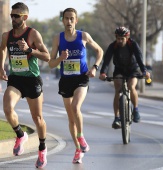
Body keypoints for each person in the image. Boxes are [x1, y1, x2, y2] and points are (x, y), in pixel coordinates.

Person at [49, 8, 103, 164]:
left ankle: (81, 136)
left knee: (75, 107)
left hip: (82, 78)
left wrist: (95, 68)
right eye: (66, 18)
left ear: (76, 20)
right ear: (63, 20)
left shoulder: (83, 36)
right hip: (66, 80)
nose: (69, 21)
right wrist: (61, 58)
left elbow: (100, 51)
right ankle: (78, 148)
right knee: (71, 119)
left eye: (72, 18)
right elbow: (51, 63)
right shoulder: (57, 39)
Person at [0, 2, 50, 169]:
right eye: (11, 15)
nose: (13, 18)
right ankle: (20, 135)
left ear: (25, 17)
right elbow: (2, 50)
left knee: (37, 118)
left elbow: (47, 56)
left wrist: (30, 50)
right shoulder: (6, 35)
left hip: (32, 79)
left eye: (16, 16)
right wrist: (1, 67)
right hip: (15, 79)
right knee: (7, 108)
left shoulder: (33, 34)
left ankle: (42, 148)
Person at [99, 26, 150, 129]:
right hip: (119, 70)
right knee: (118, 89)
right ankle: (117, 118)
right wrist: (103, 73)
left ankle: (135, 110)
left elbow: (139, 59)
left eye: (122, 38)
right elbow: (106, 61)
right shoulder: (113, 46)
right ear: (116, 37)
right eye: (118, 38)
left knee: (131, 87)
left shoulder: (133, 44)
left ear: (127, 38)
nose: (120, 40)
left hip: (132, 69)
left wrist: (144, 71)